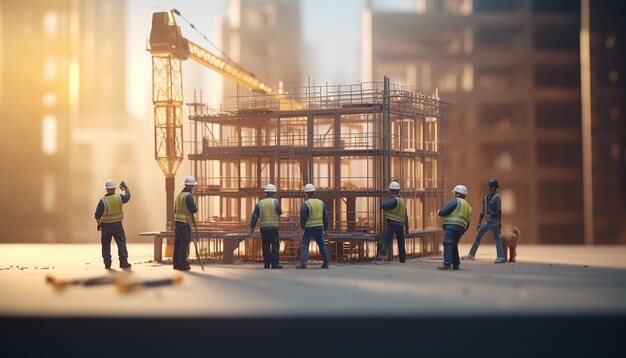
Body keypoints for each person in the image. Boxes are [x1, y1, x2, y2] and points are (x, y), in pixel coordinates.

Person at [461, 179, 506, 264]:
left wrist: (499, 223)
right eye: (488, 186)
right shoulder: (486, 198)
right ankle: (471, 254)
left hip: (494, 222)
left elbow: (499, 211)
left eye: (491, 186)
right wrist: (479, 222)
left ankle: (501, 257)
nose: (489, 188)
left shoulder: (497, 198)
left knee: (497, 239)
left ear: (495, 187)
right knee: (478, 236)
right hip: (487, 222)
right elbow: (483, 211)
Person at [94, 179, 132, 269]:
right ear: (114, 188)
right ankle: (123, 262)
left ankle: (107, 264)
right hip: (117, 226)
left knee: (106, 244)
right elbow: (128, 196)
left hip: (105, 226)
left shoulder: (102, 201)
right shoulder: (119, 198)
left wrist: (99, 223)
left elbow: (97, 215)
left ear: (106, 189)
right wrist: (125, 187)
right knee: (121, 243)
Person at [437, 185, 472, 270]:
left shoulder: (456, 201)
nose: (454, 195)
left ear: (458, 194)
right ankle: (456, 264)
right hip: (461, 229)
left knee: (447, 243)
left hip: (452, 227)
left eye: (455, 193)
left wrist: (439, 212)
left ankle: (447, 264)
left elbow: (445, 211)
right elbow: (468, 221)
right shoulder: (468, 206)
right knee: (453, 245)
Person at [296, 184, 330, 269]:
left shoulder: (305, 204)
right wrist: (325, 228)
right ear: (314, 192)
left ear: (306, 193)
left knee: (305, 244)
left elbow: (303, 217)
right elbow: (326, 217)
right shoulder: (321, 203)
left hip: (309, 228)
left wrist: (302, 227)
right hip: (319, 228)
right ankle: (326, 262)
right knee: (322, 244)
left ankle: (303, 263)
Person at [250, 184, 283, 269]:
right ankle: (275, 264)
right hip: (273, 227)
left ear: (266, 193)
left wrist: (252, 228)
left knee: (265, 245)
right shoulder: (275, 202)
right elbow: (279, 212)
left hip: (263, 228)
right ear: (274, 193)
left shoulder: (260, 203)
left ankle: (267, 264)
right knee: (275, 245)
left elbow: (254, 216)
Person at [377, 181, 408, 263]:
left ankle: (383, 255)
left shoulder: (394, 200)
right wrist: (407, 227)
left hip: (392, 223)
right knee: (401, 241)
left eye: (390, 190)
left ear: (392, 191)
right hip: (400, 224)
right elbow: (406, 215)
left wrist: (384, 201)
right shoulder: (402, 200)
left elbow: (383, 205)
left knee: (387, 239)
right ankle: (402, 258)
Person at [173, 176, 199, 270]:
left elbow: (175, 209)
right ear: (190, 185)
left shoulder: (179, 195)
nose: (193, 187)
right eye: (192, 185)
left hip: (177, 222)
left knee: (178, 243)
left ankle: (176, 263)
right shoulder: (188, 196)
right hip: (184, 222)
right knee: (184, 242)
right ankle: (182, 263)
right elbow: (193, 209)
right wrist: (195, 206)